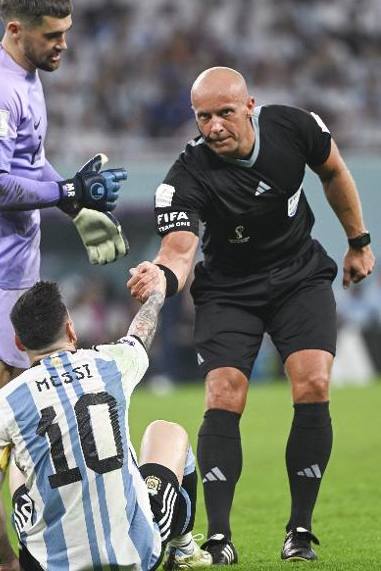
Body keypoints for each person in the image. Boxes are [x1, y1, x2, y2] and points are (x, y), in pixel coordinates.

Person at [127, 66, 375, 564]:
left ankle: (300, 531)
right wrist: (160, 276)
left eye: (224, 113)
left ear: (250, 106)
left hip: (299, 274)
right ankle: (219, 538)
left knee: (313, 384)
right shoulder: (187, 176)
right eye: (203, 117)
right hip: (229, 289)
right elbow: (178, 251)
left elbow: (334, 171)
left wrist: (358, 242)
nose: (214, 126)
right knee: (224, 392)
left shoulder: (295, 128)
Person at [0, 0, 128, 571]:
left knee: (13, 398)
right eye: (52, 35)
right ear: (15, 29)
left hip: (12, 261)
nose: (63, 45)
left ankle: (15, 528)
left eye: (66, 33)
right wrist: (67, 190)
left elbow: (30, 163)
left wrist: (72, 204)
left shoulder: (25, 77)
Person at [0, 279, 212, 571]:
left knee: (17, 464)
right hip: (135, 556)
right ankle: (183, 548)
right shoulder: (111, 362)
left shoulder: (1, 405)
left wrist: (7, 562)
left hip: (45, 565)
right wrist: (156, 295)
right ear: (71, 329)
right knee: (167, 431)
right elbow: (141, 332)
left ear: (19, 343)